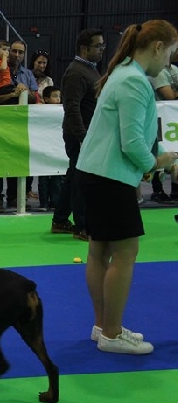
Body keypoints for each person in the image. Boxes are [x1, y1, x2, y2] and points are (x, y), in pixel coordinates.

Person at [76, 20, 178, 355]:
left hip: (96, 173)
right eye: (171, 53)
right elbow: (133, 143)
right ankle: (112, 333)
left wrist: (158, 162)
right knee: (124, 253)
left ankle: (104, 327)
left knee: (99, 251)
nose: (170, 62)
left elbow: (136, 137)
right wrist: (158, 163)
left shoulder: (122, 73)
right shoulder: (134, 80)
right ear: (158, 47)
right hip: (110, 178)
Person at [51, 29, 105, 240]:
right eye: (98, 46)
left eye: (102, 45)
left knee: (74, 176)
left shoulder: (88, 70)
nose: (102, 50)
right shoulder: (76, 72)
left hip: (84, 133)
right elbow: (71, 108)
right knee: (82, 179)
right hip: (79, 134)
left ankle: (60, 220)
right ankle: (82, 227)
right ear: (84, 48)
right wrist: (83, 137)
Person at [0, 40, 38, 212]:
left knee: (16, 160)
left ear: (24, 54)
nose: (16, 54)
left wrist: (24, 91)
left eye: (20, 52)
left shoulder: (28, 74)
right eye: (13, 51)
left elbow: (34, 99)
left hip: (19, 126)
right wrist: (11, 95)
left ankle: (14, 197)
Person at [147, 47, 178, 202]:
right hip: (159, 119)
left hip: (171, 120)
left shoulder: (174, 70)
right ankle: (157, 190)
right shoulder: (158, 71)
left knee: (175, 155)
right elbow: (169, 95)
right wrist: (174, 91)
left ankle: (175, 190)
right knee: (159, 153)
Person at [38, 86, 63, 211]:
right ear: (46, 99)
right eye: (55, 96)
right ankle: (43, 203)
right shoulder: (40, 112)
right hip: (43, 150)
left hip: (57, 149)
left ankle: (55, 202)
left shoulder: (62, 110)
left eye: (59, 96)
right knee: (43, 178)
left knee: (57, 177)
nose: (58, 99)